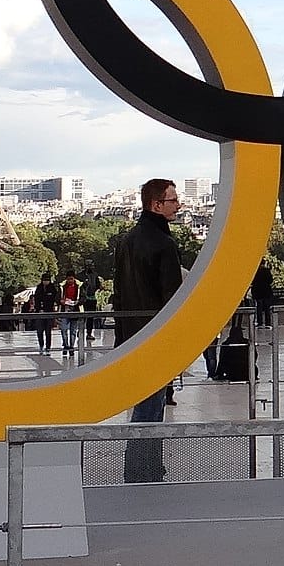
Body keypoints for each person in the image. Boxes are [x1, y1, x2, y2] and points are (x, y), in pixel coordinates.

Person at [113, 178, 188, 481]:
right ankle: (143, 470)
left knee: (145, 405)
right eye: (172, 200)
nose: (178, 205)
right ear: (156, 204)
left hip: (131, 334)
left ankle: (143, 467)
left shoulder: (127, 241)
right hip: (156, 337)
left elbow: (120, 293)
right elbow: (172, 299)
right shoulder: (165, 245)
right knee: (151, 408)